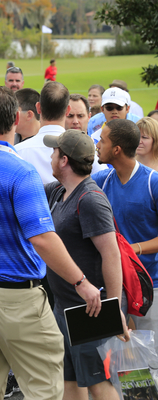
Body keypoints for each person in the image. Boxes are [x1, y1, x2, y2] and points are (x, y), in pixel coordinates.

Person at [0, 85, 101, 400]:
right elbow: (44, 240)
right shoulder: (22, 173)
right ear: (16, 118)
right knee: (45, 385)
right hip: (14, 296)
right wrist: (81, 281)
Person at [44, 130, 129, 400]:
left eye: (54, 151)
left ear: (64, 160)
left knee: (98, 384)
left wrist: (113, 309)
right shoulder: (59, 191)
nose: (50, 155)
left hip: (90, 311)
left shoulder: (90, 199)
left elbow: (111, 255)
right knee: (69, 380)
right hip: (64, 307)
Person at [93, 118, 158, 353]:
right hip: (115, 287)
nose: (97, 145)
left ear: (117, 150)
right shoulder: (100, 181)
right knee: (117, 362)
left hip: (151, 285)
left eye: (102, 140)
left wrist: (134, 248)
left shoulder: (153, 182)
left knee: (152, 360)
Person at [16, 81, 105, 184]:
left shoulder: (18, 152)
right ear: (68, 110)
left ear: (38, 108)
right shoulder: (88, 148)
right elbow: (103, 181)